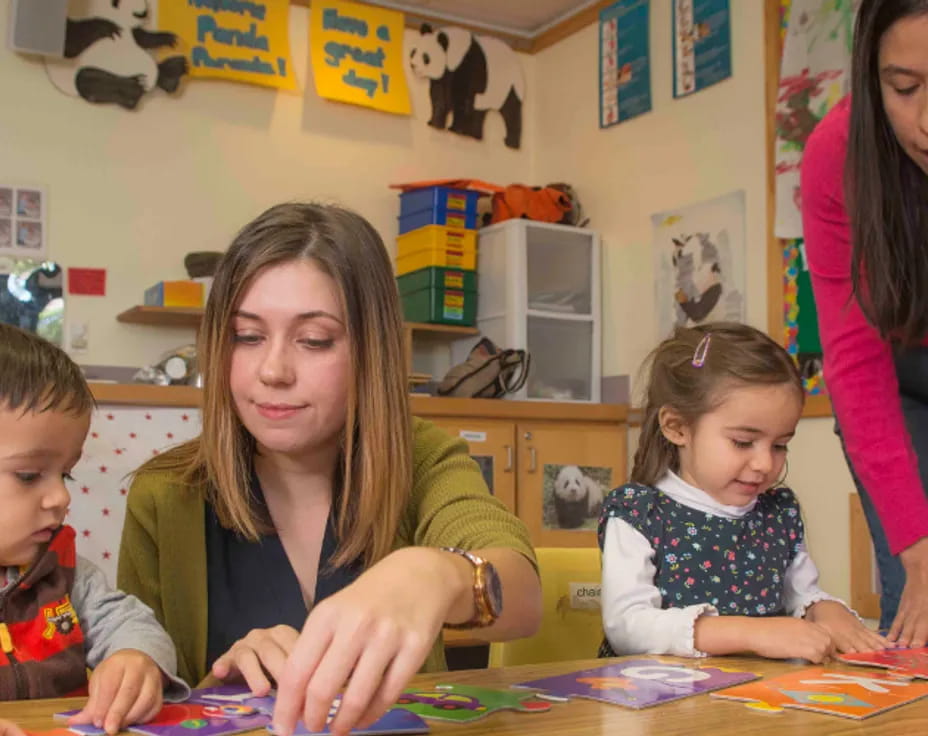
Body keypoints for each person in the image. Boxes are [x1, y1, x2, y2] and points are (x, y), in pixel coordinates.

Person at [118, 202, 542, 736]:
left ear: (373, 350)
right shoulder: (164, 492)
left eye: (314, 340)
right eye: (247, 337)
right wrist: (219, 680)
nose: (273, 371)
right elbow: (133, 686)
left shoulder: (423, 458)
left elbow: (524, 597)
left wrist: (438, 574)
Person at [598, 323, 886, 661]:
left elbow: (800, 593)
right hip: (662, 705)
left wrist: (823, 609)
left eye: (780, 445)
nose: (765, 463)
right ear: (677, 427)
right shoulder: (639, 513)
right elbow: (628, 626)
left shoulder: (778, 512)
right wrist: (751, 632)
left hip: (756, 701)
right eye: (743, 442)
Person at [801, 0, 928, 645]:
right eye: (905, 89)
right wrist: (918, 546)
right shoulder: (837, 155)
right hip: (895, 375)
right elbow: (853, 359)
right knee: (920, 598)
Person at [0, 324, 188, 733]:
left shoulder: (66, 574)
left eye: (65, 475)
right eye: (30, 475)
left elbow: (130, 623)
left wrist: (138, 658)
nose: (61, 498)